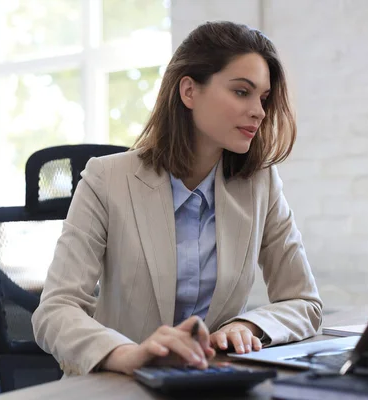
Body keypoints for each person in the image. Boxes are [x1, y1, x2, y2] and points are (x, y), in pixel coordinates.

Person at [31, 21, 323, 377]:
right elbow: (56, 310)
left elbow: (304, 302)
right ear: (189, 91)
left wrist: (248, 327)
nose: (259, 112)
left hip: (210, 381)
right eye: (242, 92)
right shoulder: (106, 179)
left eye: (263, 98)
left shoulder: (260, 185)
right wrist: (127, 354)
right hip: (118, 385)